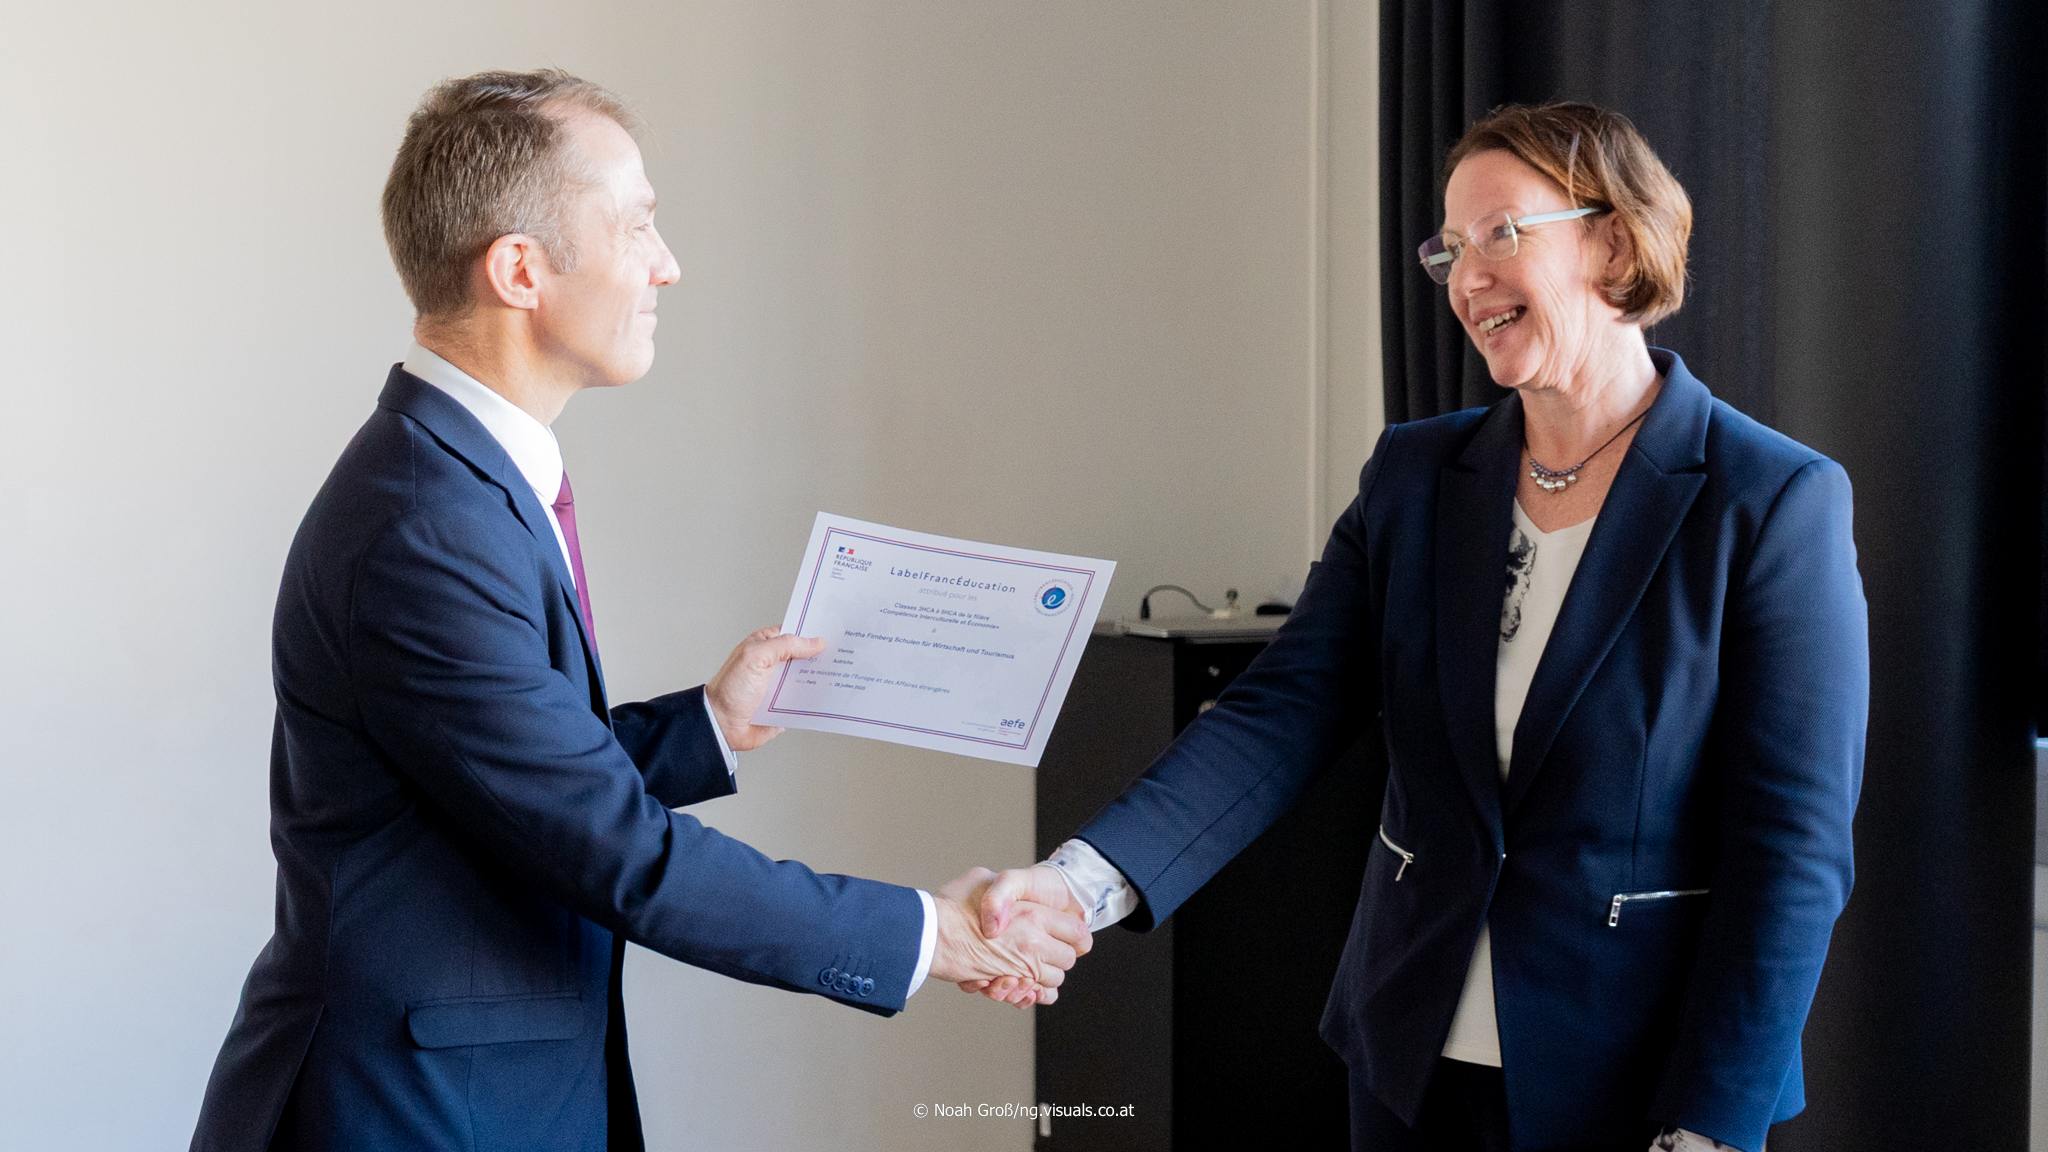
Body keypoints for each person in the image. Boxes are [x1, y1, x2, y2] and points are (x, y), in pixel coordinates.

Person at [189, 69, 1086, 1152]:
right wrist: (926, 934)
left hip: (484, 1091)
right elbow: (610, 847)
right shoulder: (423, 523)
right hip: (412, 1112)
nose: (668, 265)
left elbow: (497, 776)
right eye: (639, 226)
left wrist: (705, 724)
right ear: (520, 271)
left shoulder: (453, 480)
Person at [971, 102, 1866, 1152]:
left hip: (1633, 1081)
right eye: (1448, 248)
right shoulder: (1415, 476)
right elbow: (1273, 716)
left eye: (1501, 234)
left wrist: (1710, 1125)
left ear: (1613, 240)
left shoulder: (1766, 498)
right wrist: (1076, 885)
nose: (1465, 278)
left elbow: (1792, 849)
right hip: (1407, 1060)